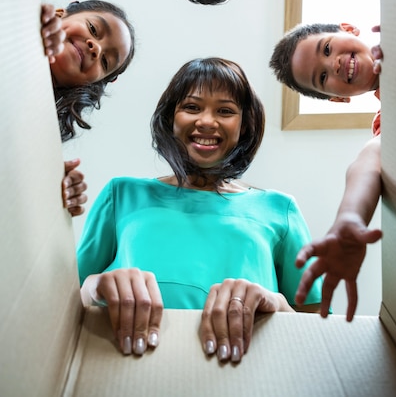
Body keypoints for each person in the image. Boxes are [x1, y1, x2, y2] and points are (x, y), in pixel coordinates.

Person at [77, 57, 322, 362]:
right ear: (170, 118)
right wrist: (91, 287)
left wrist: (276, 303)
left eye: (225, 111)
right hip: (118, 368)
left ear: (244, 125)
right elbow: (59, 303)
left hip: (247, 376)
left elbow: (320, 332)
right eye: (192, 107)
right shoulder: (122, 194)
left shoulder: (280, 209)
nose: (207, 121)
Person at [269, 22, 383, 320]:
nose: (333, 64)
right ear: (337, 99)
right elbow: (371, 159)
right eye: (322, 76)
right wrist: (349, 217)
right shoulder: (388, 121)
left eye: (328, 48)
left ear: (348, 28)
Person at [40, 0, 136, 216]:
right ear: (58, 14)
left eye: (105, 62)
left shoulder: (42, 134)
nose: (96, 47)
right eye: (93, 28)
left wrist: (51, 181)